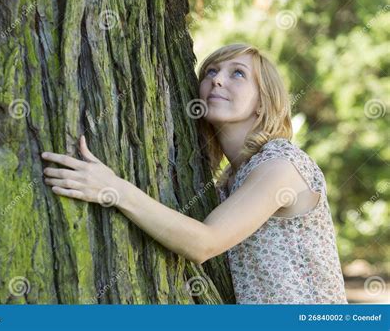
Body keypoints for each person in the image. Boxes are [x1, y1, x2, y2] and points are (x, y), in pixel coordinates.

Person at [41, 43, 348, 304]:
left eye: (237, 73)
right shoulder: (230, 180)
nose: (216, 81)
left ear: (263, 101)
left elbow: (205, 243)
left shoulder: (281, 164)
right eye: (210, 72)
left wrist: (113, 189)